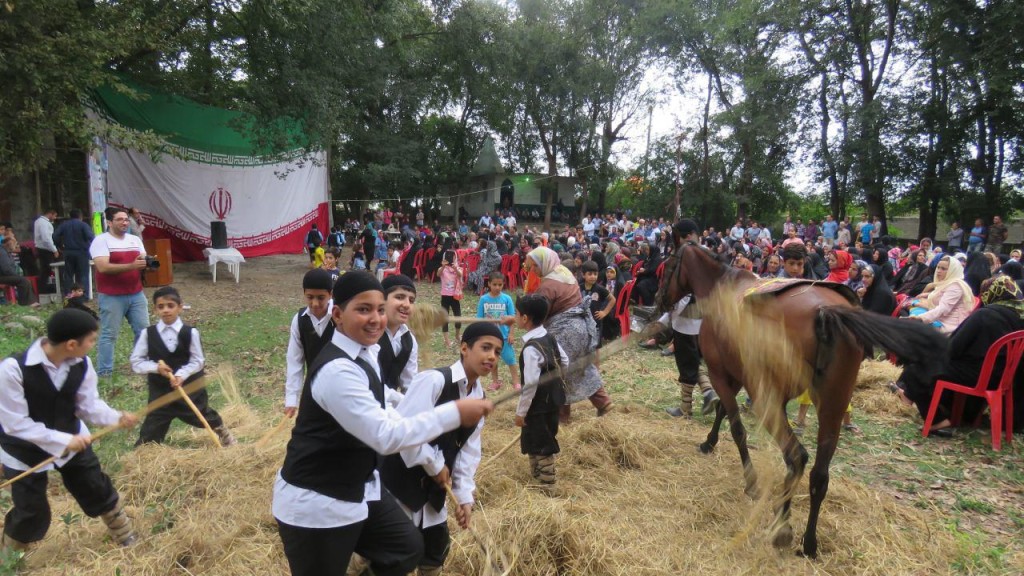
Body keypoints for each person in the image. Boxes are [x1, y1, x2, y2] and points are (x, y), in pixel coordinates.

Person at [272, 271, 494, 576]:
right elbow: (385, 436)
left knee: (405, 548)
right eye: (363, 310)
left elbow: (384, 402)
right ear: (337, 314)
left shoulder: (366, 354)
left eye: (378, 309)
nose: (375, 318)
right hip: (318, 502)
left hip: (359, 489)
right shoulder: (337, 370)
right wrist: (454, 412)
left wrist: (413, 403)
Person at [0, 309, 140, 553]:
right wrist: (63, 440)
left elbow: (87, 404)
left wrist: (116, 417)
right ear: (72, 344)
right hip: (23, 450)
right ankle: (9, 558)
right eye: (91, 340)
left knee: (96, 487)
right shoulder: (12, 370)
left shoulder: (81, 362)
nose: (93, 345)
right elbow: (15, 423)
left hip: (74, 439)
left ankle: (124, 534)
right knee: (31, 510)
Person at [380, 322, 503, 576]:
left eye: (498, 352)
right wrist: (434, 464)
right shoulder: (434, 381)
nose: (492, 356)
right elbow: (405, 433)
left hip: (433, 498)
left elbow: (468, 453)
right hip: (399, 486)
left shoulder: (479, 401)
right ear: (464, 348)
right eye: (486, 347)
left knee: (434, 554)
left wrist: (465, 497)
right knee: (395, 557)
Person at [894, 275, 1024, 435]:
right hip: (1004, 377)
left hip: (979, 375)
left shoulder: (984, 315)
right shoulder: (1019, 317)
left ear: (991, 292)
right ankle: (910, 394)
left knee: (919, 368)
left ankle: (935, 418)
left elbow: (953, 347)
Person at [130, 286, 236, 447]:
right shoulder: (148, 334)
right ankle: (145, 450)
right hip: (161, 392)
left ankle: (222, 431)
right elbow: (137, 362)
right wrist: (156, 368)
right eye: (161, 307)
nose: (166, 310)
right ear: (155, 309)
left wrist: (181, 375)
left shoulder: (190, 333)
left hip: (188, 388)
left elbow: (198, 360)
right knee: (153, 424)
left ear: (180, 307)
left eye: (170, 306)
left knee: (200, 414)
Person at [525, 247, 612, 422]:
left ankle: (562, 416)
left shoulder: (548, 285)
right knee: (582, 367)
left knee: (558, 372)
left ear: (544, 263)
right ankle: (603, 402)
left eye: (535, 266)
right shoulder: (563, 272)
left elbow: (541, 314)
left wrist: (524, 319)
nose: (533, 270)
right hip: (581, 329)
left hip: (565, 332)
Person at [513, 294, 568, 493]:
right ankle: (535, 475)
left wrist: (521, 412)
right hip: (553, 400)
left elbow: (530, 386)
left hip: (537, 406)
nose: (515, 316)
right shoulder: (549, 336)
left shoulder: (530, 349)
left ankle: (548, 484)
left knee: (542, 442)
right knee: (533, 438)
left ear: (525, 318)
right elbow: (565, 361)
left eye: (517, 313)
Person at [89, 208, 149, 378]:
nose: (124, 222)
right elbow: (103, 267)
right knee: (109, 334)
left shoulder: (134, 240)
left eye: (126, 219)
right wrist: (131, 266)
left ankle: (140, 365)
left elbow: (143, 259)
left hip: (136, 293)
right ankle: (105, 372)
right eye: (119, 220)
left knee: (143, 331)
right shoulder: (101, 241)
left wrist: (149, 264)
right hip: (111, 296)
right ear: (109, 222)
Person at [283, 270, 336, 418]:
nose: (315, 303)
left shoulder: (342, 317)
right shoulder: (299, 320)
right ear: (304, 293)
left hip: (342, 389)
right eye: (310, 297)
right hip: (313, 390)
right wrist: (291, 399)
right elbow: (295, 361)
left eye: (321, 298)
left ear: (331, 294)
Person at [902, 256, 974, 334]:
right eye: (938, 267)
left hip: (946, 325)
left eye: (943, 269)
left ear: (952, 271)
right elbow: (942, 297)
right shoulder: (947, 282)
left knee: (905, 321)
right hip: (939, 318)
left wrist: (920, 318)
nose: (938, 271)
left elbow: (943, 309)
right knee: (905, 310)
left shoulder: (956, 286)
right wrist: (928, 294)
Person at [478, 271, 520, 391]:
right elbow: (479, 318)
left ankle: (516, 382)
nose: (497, 287)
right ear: (489, 284)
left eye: (500, 285)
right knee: (492, 360)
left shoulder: (507, 299)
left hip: (505, 337)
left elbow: (512, 318)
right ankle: (495, 382)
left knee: (510, 359)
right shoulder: (483, 299)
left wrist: (511, 333)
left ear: (503, 285)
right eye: (495, 284)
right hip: (490, 337)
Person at [377, 275, 419, 393]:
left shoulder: (409, 340)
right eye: (399, 297)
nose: (406, 305)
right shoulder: (370, 334)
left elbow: (410, 384)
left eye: (411, 300)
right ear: (382, 300)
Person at [52, 208, 95, 298]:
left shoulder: (64, 225)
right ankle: (83, 295)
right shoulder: (83, 225)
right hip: (82, 252)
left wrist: (60, 245)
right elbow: (91, 237)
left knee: (68, 274)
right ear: (80, 216)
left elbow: (55, 236)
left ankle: (68, 294)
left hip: (68, 252)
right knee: (83, 275)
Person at [579, 261, 615, 347]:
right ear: (583, 275)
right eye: (590, 274)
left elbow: (612, 299)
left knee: (596, 344)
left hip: (596, 321)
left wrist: (604, 312)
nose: (593, 277)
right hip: (582, 320)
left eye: (595, 274)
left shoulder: (600, 289)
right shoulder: (579, 287)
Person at [439, 250, 464, 349]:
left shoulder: (457, 268)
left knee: (458, 316)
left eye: (452, 257)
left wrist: (455, 268)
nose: (450, 259)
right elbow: (438, 274)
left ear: (455, 258)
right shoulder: (442, 269)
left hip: (455, 296)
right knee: (444, 317)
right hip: (445, 296)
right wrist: (444, 266)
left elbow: (460, 274)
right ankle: (447, 340)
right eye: (448, 257)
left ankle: (457, 335)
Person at [0, 241, 37, 307]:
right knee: (22, 281)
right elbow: (6, 269)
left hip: (5, 275)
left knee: (25, 280)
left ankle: (31, 302)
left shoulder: (6, 252)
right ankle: (23, 304)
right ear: (8, 243)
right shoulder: (2, 252)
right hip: (3, 276)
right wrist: (16, 275)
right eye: (15, 243)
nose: (17, 245)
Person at [33, 208, 59, 295]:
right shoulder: (44, 223)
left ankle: (43, 289)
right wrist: (54, 249)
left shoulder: (38, 221)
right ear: (51, 213)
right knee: (46, 270)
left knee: (45, 270)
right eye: (55, 215)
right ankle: (43, 290)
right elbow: (46, 238)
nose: (55, 218)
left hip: (42, 248)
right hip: (45, 249)